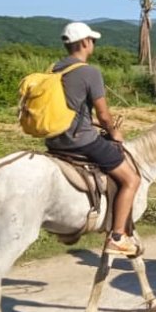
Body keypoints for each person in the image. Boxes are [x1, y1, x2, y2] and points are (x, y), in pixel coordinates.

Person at [45, 22, 142, 257]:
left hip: (54, 140)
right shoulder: (90, 72)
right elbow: (104, 114)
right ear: (85, 43)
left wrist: (94, 124)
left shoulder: (55, 69)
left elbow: (71, 111)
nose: (93, 45)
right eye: (93, 41)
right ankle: (118, 236)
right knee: (132, 179)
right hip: (80, 141)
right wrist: (114, 132)